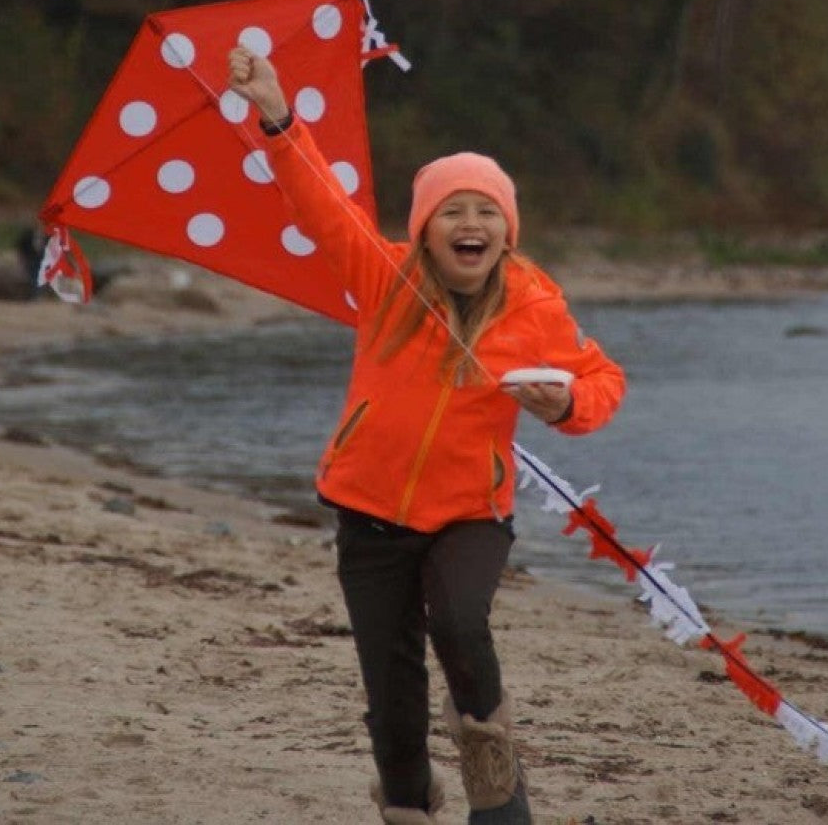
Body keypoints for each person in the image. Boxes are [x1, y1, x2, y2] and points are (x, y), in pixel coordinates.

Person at [228, 47, 626, 825]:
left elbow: (604, 380)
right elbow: (319, 200)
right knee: (391, 688)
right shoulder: (383, 277)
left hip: (471, 513)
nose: (470, 223)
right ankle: (407, 805)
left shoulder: (536, 307)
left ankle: (497, 796)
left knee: (459, 622)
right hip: (367, 508)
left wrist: (566, 402)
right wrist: (275, 113)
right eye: (452, 211)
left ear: (506, 231)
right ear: (425, 230)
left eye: (486, 211)